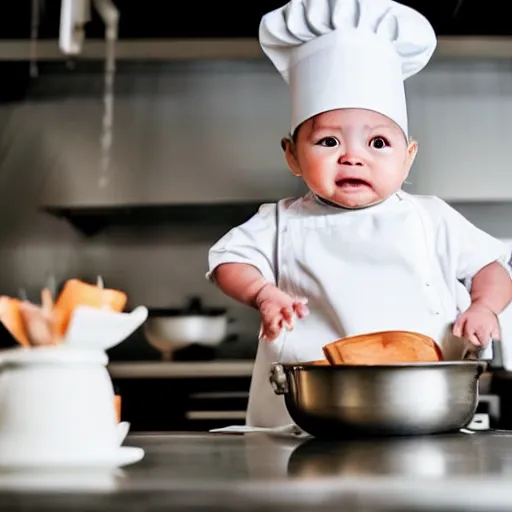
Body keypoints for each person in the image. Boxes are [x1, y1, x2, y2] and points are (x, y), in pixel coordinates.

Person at [206, 0, 512, 428]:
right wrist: (263, 293)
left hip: (424, 408)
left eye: (379, 144)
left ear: (408, 158)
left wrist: (484, 307)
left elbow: (491, 268)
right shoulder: (279, 221)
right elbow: (228, 262)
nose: (352, 157)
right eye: (329, 143)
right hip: (305, 417)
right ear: (292, 155)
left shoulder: (432, 218)